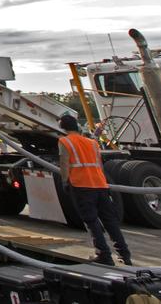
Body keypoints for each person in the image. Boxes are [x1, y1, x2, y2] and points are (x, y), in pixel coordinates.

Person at [57, 114, 132, 267]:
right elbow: (99, 163)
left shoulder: (64, 141)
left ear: (62, 126)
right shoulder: (92, 143)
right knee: (110, 221)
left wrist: (65, 181)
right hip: (99, 184)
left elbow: (64, 163)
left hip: (81, 185)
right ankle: (124, 255)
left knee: (91, 221)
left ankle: (103, 254)